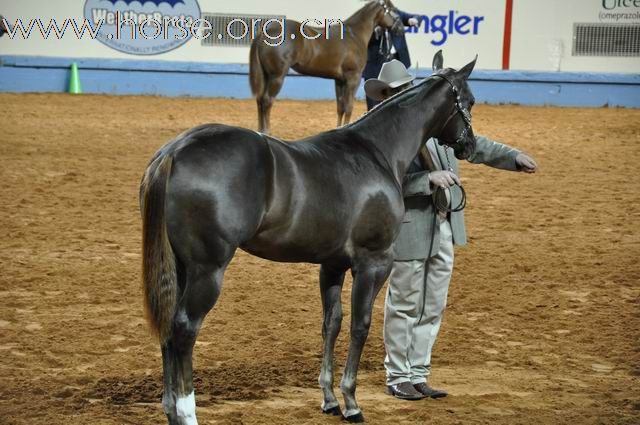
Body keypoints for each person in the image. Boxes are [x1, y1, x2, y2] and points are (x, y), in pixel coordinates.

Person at [364, 60, 538, 400]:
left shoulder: (436, 124)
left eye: (404, 90)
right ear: (384, 96)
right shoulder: (381, 135)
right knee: (404, 303)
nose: (400, 96)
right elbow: (376, 182)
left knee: (433, 305)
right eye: (393, 92)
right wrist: (424, 180)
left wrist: (512, 156)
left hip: (443, 227)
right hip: (410, 229)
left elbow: (475, 144)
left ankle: (418, 372)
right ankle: (397, 375)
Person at [363, 8, 421, 110]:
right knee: (374, 100)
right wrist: (374, 31)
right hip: (375, 63)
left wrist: (413, 20)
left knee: (398, 94)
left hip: (396, 62)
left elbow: (417, 17)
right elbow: (361, 36)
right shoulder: (368, 16)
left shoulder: (395, 13)